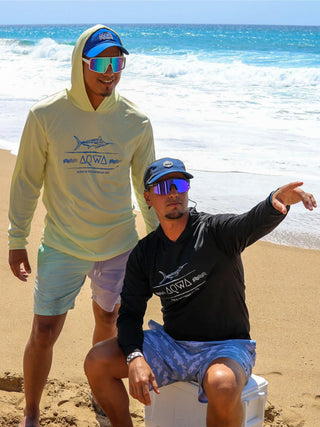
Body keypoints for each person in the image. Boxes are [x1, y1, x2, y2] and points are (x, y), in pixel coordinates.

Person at [84, 157, 317, 427]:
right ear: (147, 198)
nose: (172, 193)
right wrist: (135, 356)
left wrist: (275, 202)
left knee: (222, 383)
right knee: (97, 361)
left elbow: (249, 222)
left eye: (179, 184)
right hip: (173, 344)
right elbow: (129, 315)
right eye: (162, 188)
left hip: (226, 346)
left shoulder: (215, 232)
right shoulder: (145, 253)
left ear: (187, 190)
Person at [8, 25, 158, 427]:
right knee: (43, 330)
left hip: (118, 243)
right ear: (81, 63)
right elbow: (26, 179)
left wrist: (159, 241)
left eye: (118, 62)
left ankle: (99, 390)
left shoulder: (136, 122)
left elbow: (146, 187)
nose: (111, 72)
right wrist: (16, 238)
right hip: (62, 243)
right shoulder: (46, 115)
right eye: (102, 62)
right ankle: (31, 412)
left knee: (109, 322)